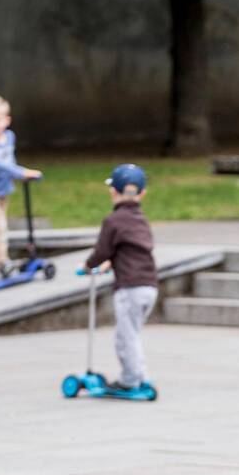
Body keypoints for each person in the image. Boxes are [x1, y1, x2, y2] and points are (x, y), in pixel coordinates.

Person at [80, 164, 159, 394]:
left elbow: (102, 250)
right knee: (132, 334)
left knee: (125, 338)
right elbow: (130, 249)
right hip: (149, 285)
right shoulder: (141, 220)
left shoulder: (113, 221)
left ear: (112, 192)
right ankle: (140, 376)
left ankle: (130, 380)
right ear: (142, 194)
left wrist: (88, 266)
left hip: (130, 288)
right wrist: (110, 263)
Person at [0, 95, 42, 283]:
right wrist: (22, 172)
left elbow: (9, 161)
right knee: (0, 227)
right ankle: (3, 262)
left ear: (7, 121)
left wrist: (18, 175)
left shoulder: (10, 137)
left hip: (2, 190)